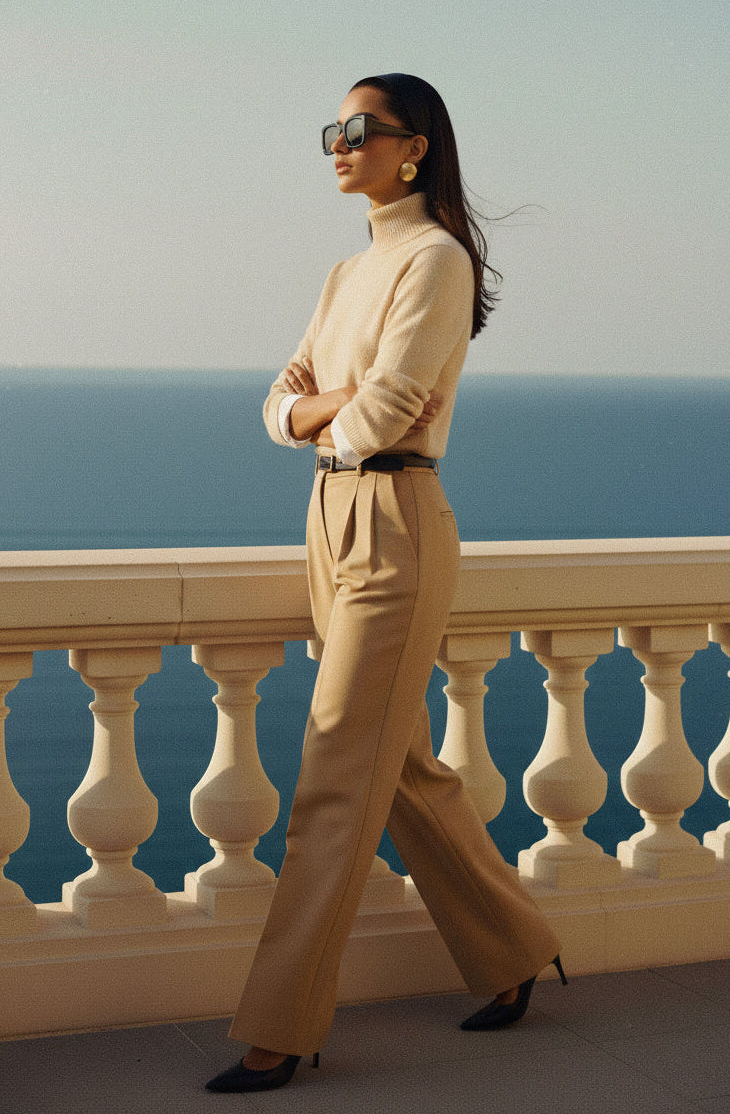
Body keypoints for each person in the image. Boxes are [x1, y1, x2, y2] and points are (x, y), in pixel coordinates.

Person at [206, 73, 565, 1095]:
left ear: (414, 149)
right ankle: (513, 945)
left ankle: (280, 1023)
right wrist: (333, 405)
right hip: (328, 522)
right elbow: (275, 408)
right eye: (335, 129)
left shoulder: (435, 260)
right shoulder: (345, 272)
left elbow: (382, 415)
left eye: (362, 130)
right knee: (398, 763)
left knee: (331, 772)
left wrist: (331, 406)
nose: (340, 143)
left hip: (395, 522)